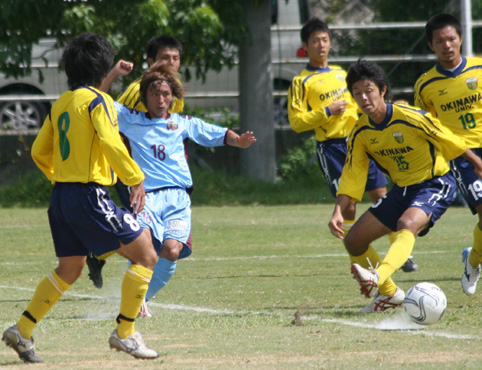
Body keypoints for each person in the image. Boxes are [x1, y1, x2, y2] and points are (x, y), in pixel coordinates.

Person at [1, 33, 160, 363]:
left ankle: (22, 330)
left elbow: (37, 151)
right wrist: (135, 179)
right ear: (103, 66)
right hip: (89, 194)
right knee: (146, 252)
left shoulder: (62, 101)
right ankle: (126, 333)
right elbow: (111, 142)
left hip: (61, 195)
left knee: (69, 269)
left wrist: (60, 176)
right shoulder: (97, 100)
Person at [328, 59, 482, 313]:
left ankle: (378, 277)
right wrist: (338, 210)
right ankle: (390, 294)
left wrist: (476, 162)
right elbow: (353, 173)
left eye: (369, 90)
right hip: (403, 190)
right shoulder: (360, 132)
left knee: (406, 224)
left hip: (435, 183)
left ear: (382, 90)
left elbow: (448, 138)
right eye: (357, 93)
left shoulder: (410, 117)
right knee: (354, 241)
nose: (364, 97)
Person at [111, 62, 255, 317]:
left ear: (173, 97)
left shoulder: (182, 123)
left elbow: (217, 133)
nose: (160, 99)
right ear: (144, 96)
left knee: (171, 250)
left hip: (178, 198)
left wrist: (238, 141)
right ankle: (133, 296)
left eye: (165, 94)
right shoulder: (131, 120)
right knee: (143, 249)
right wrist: (112, 74)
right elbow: (99, 101)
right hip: (147, 198)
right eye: (154, 94)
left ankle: (141, 298)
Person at [287, 17, 418, 273]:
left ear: (330, 42)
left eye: (325, 39)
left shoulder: (342, 74)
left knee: (381, 194)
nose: (321, 45)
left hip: (362, 141)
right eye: (315, 41)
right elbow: (297, 122)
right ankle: (359, 259)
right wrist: (327, 110)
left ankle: (399, 255)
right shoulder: (301, 81)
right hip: (333, 149)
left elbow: (365, 101)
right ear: (305, 45)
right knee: (348, 205)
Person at [88, 35, 186, 296]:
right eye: (165, 58)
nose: (171, 63)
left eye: (175, 58)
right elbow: (105, 110)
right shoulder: (139, 90)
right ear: (151, 62)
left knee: (145, 232)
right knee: (144, 236)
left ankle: (100, 249)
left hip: (152, 177)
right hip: (129, 170)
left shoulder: (172, 92)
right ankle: (135, 294)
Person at [414, 13, 482, 295]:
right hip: (462, 156)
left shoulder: (479, 68)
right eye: (439, 41)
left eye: (451, 38)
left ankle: (473, 257)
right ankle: (474, 263)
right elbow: (426, 130)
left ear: (461, 38)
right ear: (431, 45)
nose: (447, 45)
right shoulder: (425, 85)